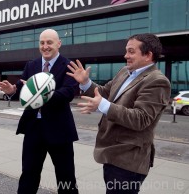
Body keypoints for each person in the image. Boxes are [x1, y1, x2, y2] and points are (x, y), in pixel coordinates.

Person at [67, 33, 171, 193]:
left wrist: (103, 105)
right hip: (113, 153)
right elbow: (105, 93)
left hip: (129, 160)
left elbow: (140, 118)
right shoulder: (125, 71)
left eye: (131, 51)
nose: (126, 55)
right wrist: (86, 82)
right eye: (126, 51)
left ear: (148, 55)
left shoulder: (157, 81)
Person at [0, 29, 79, 194]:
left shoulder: (68, 65)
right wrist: (12, 90)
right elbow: (21, 90)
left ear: (59, 44)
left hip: (59, 129)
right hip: (34, 128)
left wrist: (42, 93)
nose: (45, 46)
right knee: (29, 175)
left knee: (66, 177)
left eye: (49, 42)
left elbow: (68, 93)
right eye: (42, 43)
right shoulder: (31, 65)